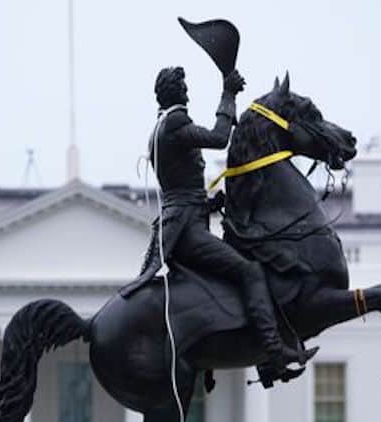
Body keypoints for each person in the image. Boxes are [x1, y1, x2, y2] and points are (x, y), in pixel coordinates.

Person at [121, 66, 312, 385]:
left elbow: (180, 189)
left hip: (184, 221)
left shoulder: (160, 127)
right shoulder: (175, 122)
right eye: (183, 86)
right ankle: (273, 355)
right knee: (250, 271)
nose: (187, 91)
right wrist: (229, 93)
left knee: (226, 280)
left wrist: (209, 203)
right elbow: (219, 138)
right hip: (187, 232)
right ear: (174, 92)